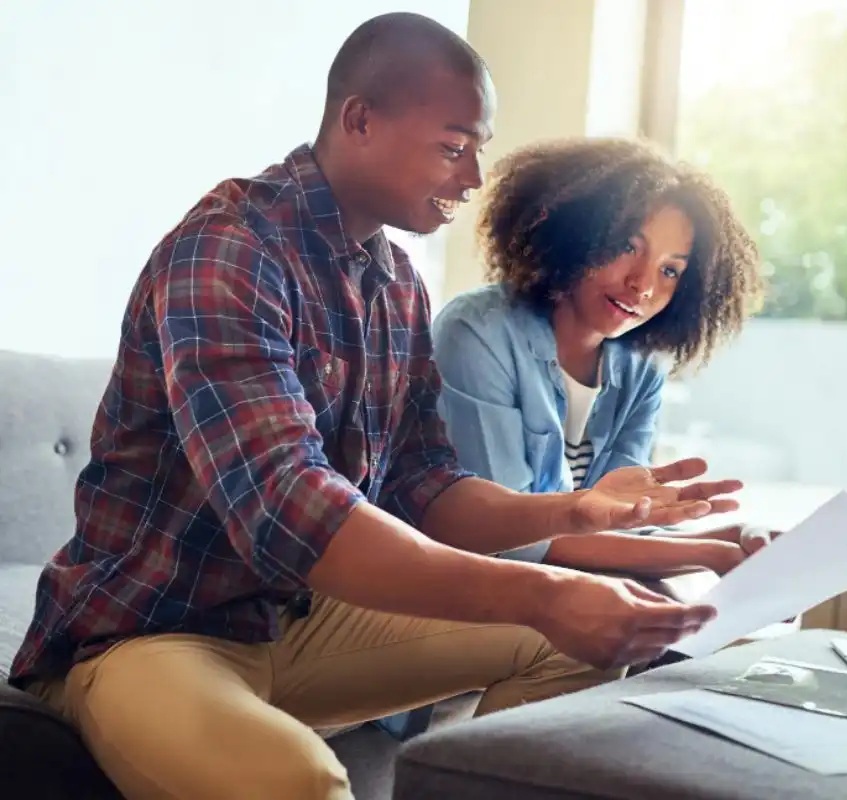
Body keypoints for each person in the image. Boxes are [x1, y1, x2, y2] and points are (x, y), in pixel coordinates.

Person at [7, 14, 741, 800]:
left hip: (294, 622)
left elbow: (425, 486)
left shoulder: (394, 280)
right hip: (149, 633)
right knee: (294, 781)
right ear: (360, 120)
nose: (473, 177)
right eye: (455, 146)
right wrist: (541, 588)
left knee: (581, 639)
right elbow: (293, 508)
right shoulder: (227, 251)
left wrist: (573, 511)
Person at [430, 136, 768, 578]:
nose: (643, 285)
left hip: (565, 591)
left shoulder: (641, 370)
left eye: (670, 271)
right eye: (629, 247)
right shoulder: (478, 333)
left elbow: (620, 528)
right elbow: (509, 543)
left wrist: (731, 537)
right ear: (576, 233)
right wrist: (704, 556)